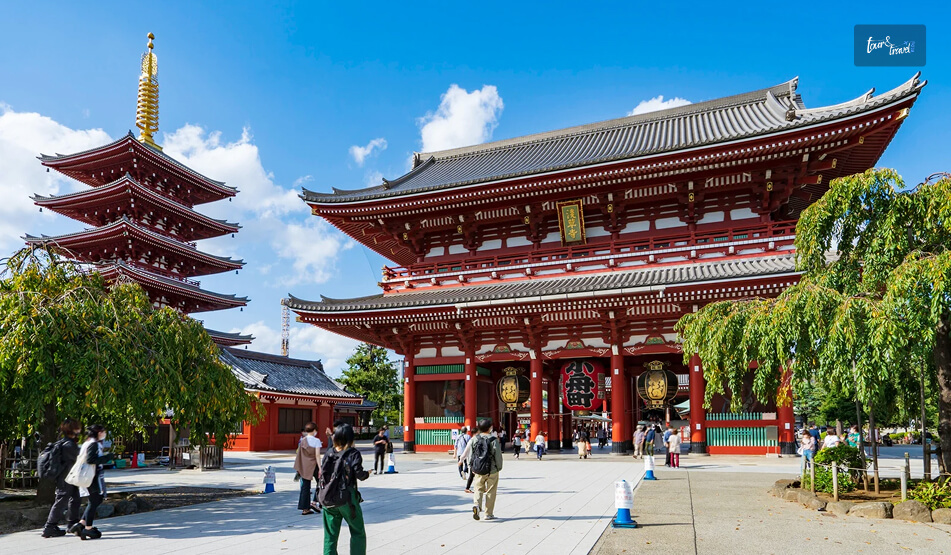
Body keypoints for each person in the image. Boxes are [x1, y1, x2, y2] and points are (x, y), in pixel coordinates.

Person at [320, 423, 370, 555]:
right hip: (347, 498)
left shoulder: (329, 452)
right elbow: (359, 475)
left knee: (330, 535)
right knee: (357, 531)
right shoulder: (353, 453)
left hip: (328, 497)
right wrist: (367, 474)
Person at [68, 425, 113, 540]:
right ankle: (88, 528)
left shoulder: (88, 442)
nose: (104, 433)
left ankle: (81, 524)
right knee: (94, 500)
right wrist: (107, 458)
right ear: (98, 432)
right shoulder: (93, 443)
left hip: (89, 476)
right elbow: (91, 460)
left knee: (96, 499)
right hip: (92, 477)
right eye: (102, 431)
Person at [42, 419, 82, 538]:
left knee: (75, 498)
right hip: (66, 478)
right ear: (72, 430)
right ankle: (49, 527)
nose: (79, 430)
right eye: (77, 428)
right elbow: (78, 459)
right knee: (61, 501)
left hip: (70, 477)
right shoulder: (69, 445)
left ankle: (72, 523)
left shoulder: (65, 442)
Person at [469, 418, 503, 521]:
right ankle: (488, 514)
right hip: (492, 470)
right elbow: (498, 456)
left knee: (478, 489)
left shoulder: (474, 439)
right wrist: (499, 467)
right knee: (491, 491)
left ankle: (477, 505)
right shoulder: (493, 440)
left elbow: (471, 455)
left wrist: (472, 467)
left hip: (478, 469)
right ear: (490, 428)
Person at [294, 422, 322, 515]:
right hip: (314, 464)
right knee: (321, 482)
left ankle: (304, 508)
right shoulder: (316, 441)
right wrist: (320, 467)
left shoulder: (302, 440)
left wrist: (299, 466)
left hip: (305, 465)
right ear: (314, 430)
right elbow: (317, 455)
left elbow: (299, 455)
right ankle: (314, 502)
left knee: (305, 487)